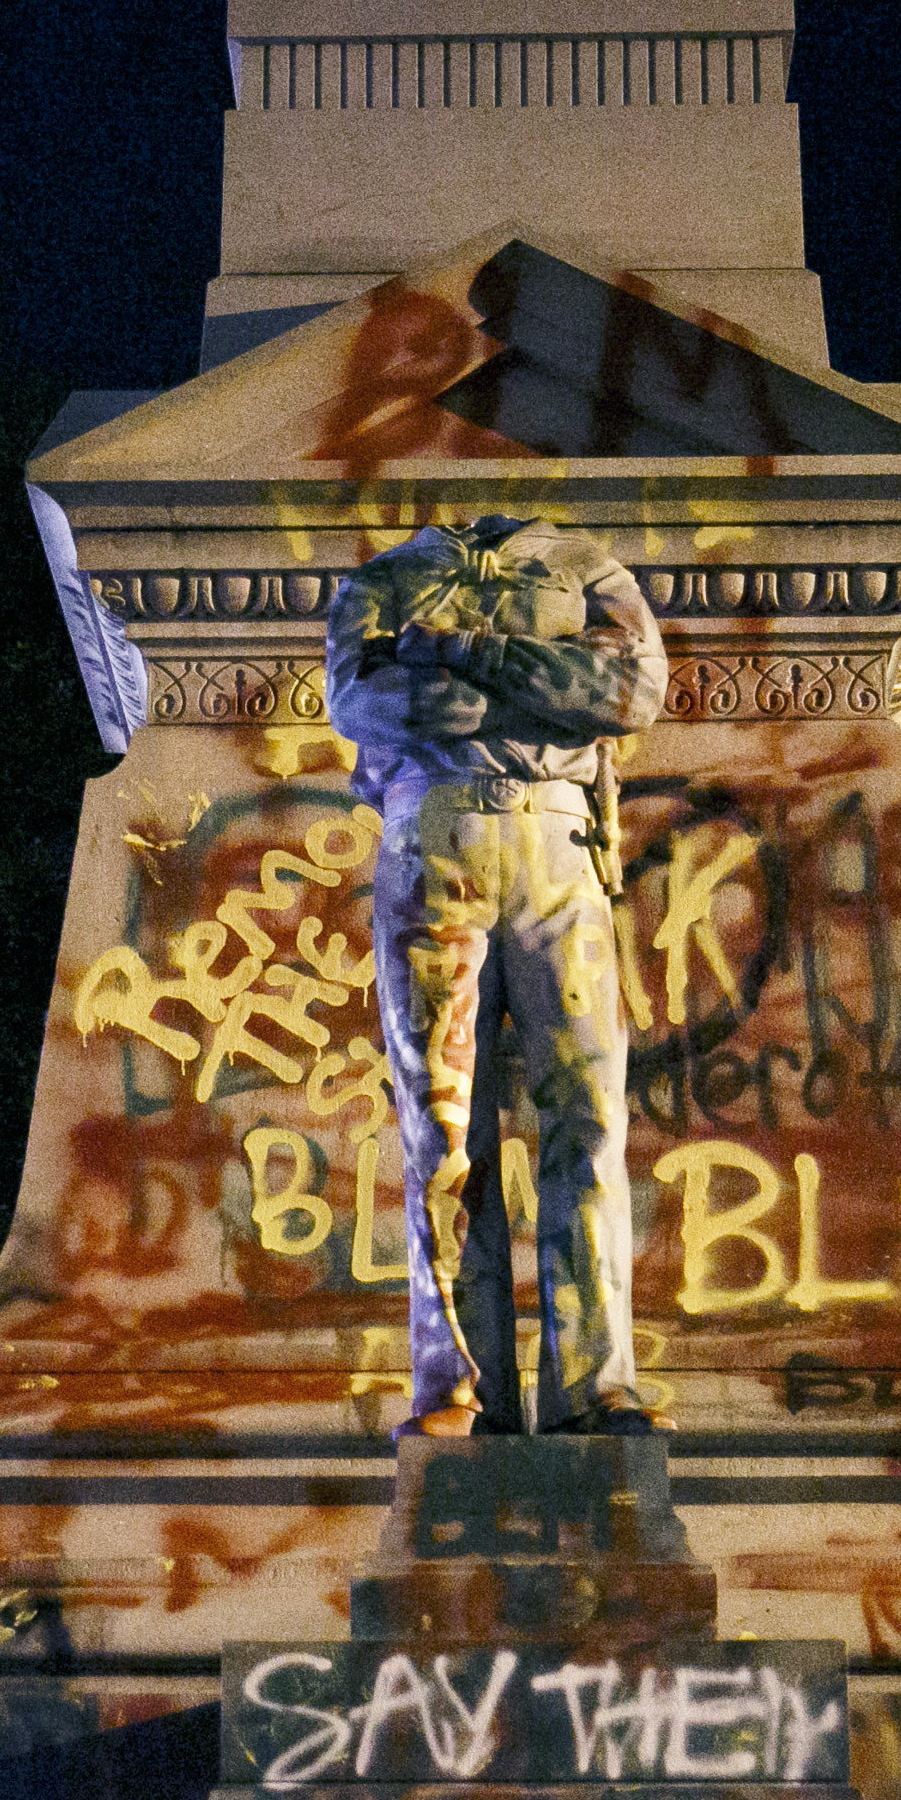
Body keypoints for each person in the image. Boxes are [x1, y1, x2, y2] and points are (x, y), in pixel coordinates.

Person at [325, 515, 669, 1439]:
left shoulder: (585, 563)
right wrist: (545, 684)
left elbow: (631, 692)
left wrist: (466, 652)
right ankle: (456, 1387)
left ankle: (595, 1387)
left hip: (561, 848)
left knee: (591, 1115)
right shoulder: (389, 577)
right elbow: (365, 703)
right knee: (440, 1128)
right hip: (433, 841)